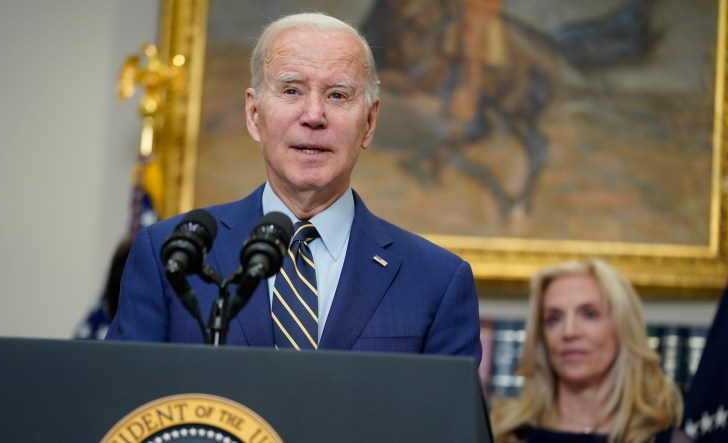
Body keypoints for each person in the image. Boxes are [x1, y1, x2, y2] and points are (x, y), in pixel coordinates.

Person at [106, 12, 482, 360]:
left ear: (368, 123)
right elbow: (124, 412)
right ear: (254, 115)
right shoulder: (168, 256)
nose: (314, 115)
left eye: (337, 95)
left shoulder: (437, 280)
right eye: (291, 91)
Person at [491, 258, 683, 443]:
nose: (569, 332)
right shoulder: (504, 435)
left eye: (589, 314)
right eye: (554, 318)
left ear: (622, 327)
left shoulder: (665, 437)